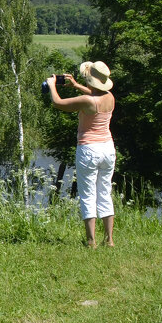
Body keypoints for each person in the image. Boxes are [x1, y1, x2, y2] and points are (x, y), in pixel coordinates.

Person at [47, 61, 116, 248]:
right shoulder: (110, 97)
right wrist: (77, 85)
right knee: (104, 192)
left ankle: (91, 241)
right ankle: (109, 239)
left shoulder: (87, 102)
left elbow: (58, 103)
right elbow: (95, 96)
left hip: (89, 149)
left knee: (87, 194)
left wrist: (52, 85)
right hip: (108, 148)